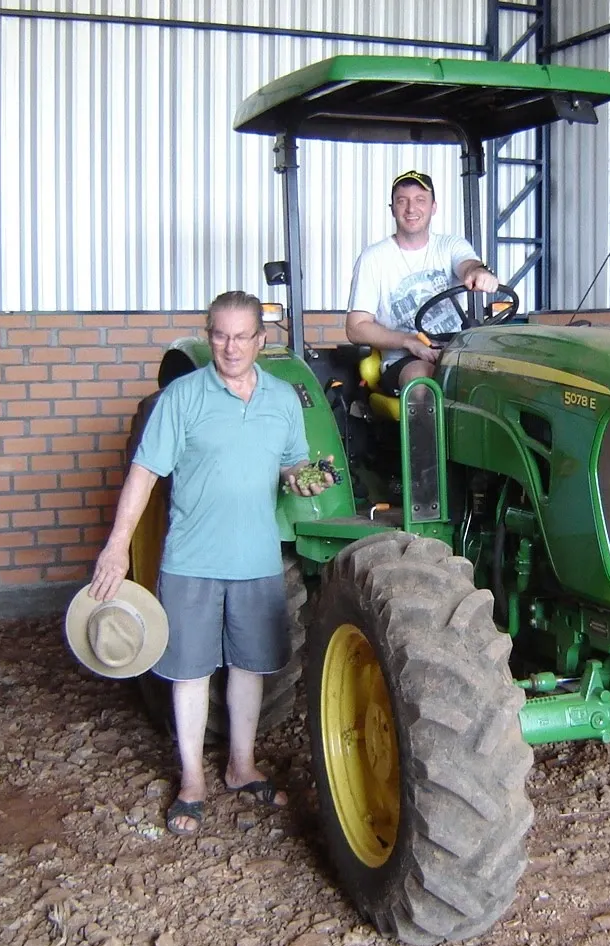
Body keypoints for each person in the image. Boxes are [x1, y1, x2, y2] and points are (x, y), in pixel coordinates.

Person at [88, 290, 334, 838]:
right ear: (208, 335)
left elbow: (291, 465)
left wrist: (302, 477)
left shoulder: (281, 399)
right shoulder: (183, 396)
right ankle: (193, 779)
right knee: (190, 671)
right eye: (219, 334)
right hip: (192, 559)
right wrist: (118, 544)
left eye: (241, 335)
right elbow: (145, 473)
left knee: (250, 668)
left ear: (259, 341)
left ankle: (241, 766)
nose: (230, 346)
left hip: (257, 557)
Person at [346, 169, 500, 394]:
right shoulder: (373, 258)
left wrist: (478, 272)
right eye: (402, 201)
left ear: (433, 207)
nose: (411, 209)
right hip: (403, 359)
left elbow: (468, 264)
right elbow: (356, 328)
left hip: (454, 351)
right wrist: (409, 341)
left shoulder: (450, 246)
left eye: (420, 200)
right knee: (423, 383)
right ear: (392, 209)